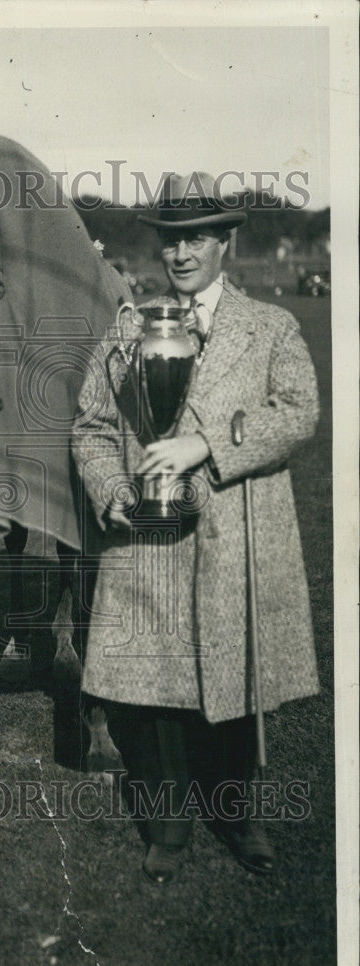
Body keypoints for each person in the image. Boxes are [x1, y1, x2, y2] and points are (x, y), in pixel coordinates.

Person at [72, 172, 320, 885]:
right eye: (170, 240)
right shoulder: (126, 328)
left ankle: (240, 816)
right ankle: (169, 828)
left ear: (225, 243)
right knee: (151, 692)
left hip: (236, 536)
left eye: (195, 239)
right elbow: (89, 426)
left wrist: (207, 444)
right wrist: (113, 489)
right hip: (147, 537)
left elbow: (299, 412)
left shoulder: (270, 326)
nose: (180, 254)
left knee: (235, 683)